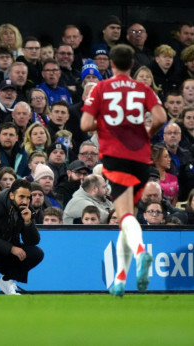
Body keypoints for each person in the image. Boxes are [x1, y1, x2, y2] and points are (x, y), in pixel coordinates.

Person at [81, 43, 167, 297]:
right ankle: (119, 279)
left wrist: (107, 125)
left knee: (126, 217)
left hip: (116, 157)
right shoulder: (143, 88)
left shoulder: (101, 88)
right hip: (141, 160)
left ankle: (142, 253)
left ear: (111, 63)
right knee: (127, 218)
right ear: (132, 64)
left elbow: (86, 123)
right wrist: (146, 135)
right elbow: (161, 117)